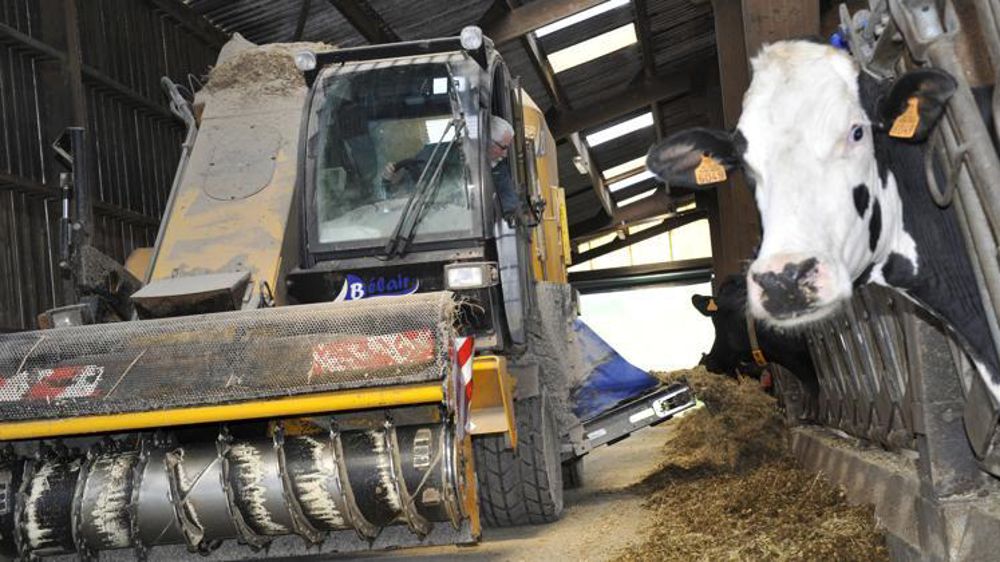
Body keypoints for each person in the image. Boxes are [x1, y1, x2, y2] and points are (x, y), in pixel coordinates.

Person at [382, 116, 523, 225]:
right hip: (431, 224)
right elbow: (401, 197)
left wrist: (506, 214)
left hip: (472, 228)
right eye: (503, 148)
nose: (505, 154)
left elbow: (509, 203)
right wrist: (393, 182)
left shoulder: (498, 168)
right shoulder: (435, 155)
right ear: (486, 141)